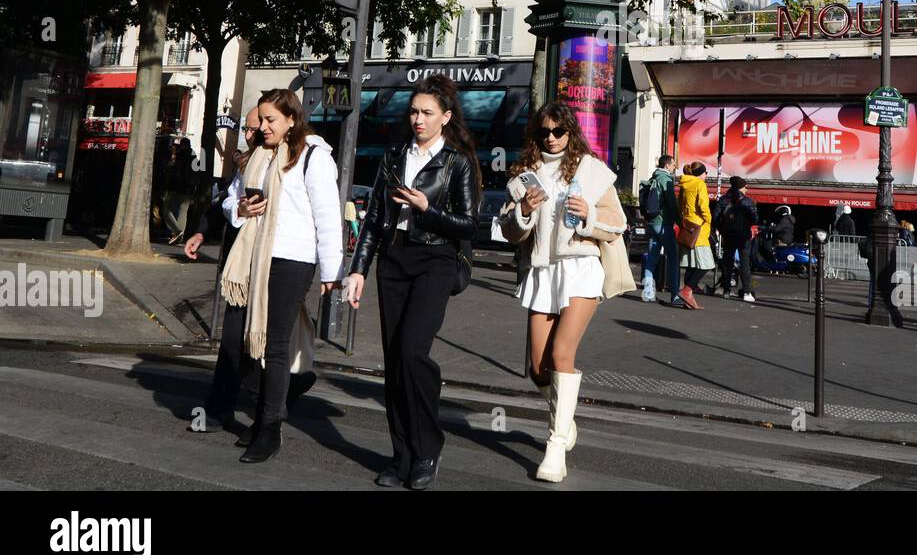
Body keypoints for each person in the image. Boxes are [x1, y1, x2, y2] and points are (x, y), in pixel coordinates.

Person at [341, 76, 479, 489]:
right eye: (414, 112)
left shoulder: (456, 162)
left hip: (435, 259)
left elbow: (471, 224)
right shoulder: (394, 156)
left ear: (446, 118)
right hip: (394, 259)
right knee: (394, 362)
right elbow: (373, 222)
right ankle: (402, 456)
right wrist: (358, 269)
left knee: (412, 351)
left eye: (427, 113)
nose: (417, 119)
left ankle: (427, 448)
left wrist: (427, 208)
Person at [500, 102, 626, 483]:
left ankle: (555, 444)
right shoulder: (524, 174)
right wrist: (522, 210)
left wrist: (588, 213)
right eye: (543, 133)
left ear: (571, 133)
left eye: (558, 132)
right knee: (537, 367)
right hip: (542, 271)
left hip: (581, 267)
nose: (551, 139)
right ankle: (565, 419)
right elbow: (511, 231)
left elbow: (616, 224)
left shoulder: (591, 170)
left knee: (561, 354)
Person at [223, 89, 344, 463]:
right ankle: (265, 415)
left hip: (293, 260)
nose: (262, 127)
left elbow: (327, 216)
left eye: (270, 120)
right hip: (255, 258)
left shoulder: (313, 158)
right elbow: (232, 201)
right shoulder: (258, 156)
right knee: (244, 343)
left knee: (275, 347)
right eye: (260, 120)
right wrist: (240, 208)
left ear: (292, 119)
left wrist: (332, 270)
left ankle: (270, 427)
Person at [183, 106, 314, 436]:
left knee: (262, 345)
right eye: (250, 127)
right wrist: (204, 230)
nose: (251, 132)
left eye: (259, 126)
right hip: (242, 270)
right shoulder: (249, 161)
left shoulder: (289, 160)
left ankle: (276, 396)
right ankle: (222, 409)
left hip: (274, 267)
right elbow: (226, 200)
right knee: (234, 342)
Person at [639, 154, 682, 305]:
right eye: (672, 165)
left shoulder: (652, 179)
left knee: (651, 258)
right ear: (666, 165)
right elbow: (671, 203)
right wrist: (680, 221)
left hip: (651, 223)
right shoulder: (665, 179)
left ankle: (648, 292)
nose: (674, 167)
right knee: (673, 259)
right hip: (664, 223)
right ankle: (675, 295)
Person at [676, 162, 716, 308]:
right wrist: (709, 220)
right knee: (706, 264)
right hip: (699, 228)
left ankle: (688, 299)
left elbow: (679, 205)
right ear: (700, 173)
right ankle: (687, 291)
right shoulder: (700, 184)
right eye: (705, 173)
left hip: (688, 227)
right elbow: (703, 206)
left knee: (691, 265)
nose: (706, 175)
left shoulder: (684, 185)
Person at [715, 175, 759, 302]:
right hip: (743, 236)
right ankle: (746, 292)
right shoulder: (747, 201)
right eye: (746, 187)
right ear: (741, 187)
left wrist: (723, 230)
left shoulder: (723, 200)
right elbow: (754, 219)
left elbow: (716, 218)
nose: (747, 189)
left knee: (727, 262)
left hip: (728, 235)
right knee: (745, 264)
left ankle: (726, 290)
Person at [162, 137, 200, 245]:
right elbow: (196, 175)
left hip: (176, 187)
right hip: (188, 189)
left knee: (166, 210)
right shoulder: (194, 159)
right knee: (183, 213)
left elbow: (171, 170)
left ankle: (177, 231)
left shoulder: (179, 156)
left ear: (182, 145)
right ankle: (179, 237)